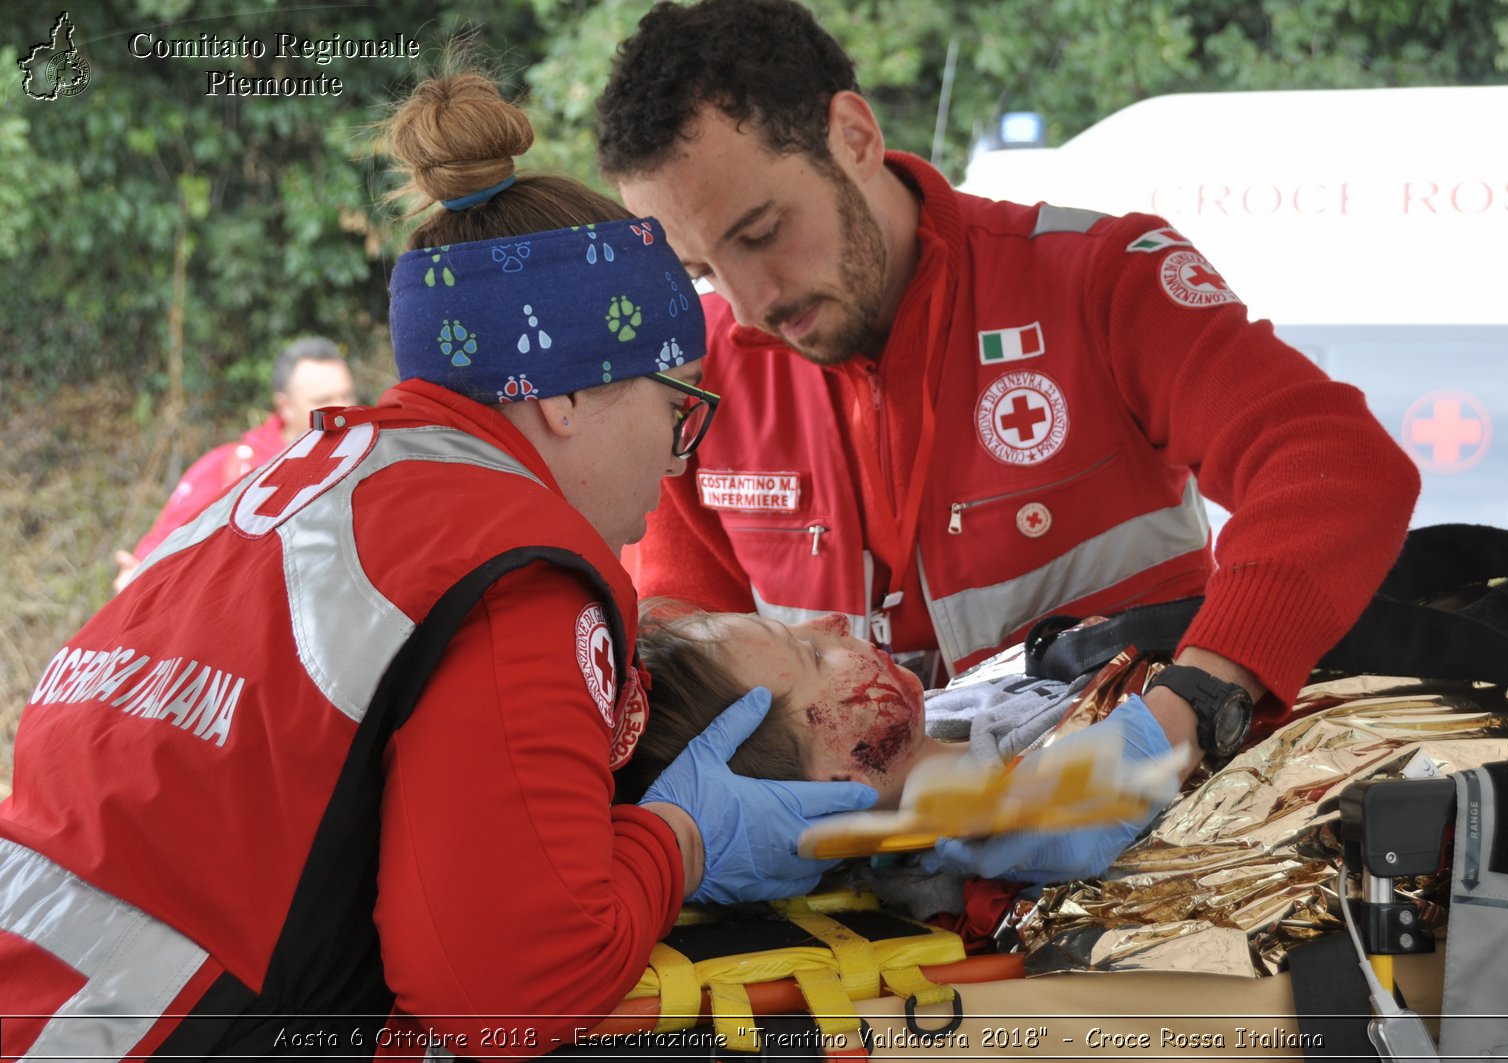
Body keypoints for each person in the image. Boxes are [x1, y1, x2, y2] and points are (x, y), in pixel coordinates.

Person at [0, 71, 875, 1060]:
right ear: (564, 395)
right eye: (673, 407)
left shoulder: (295, 490)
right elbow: (511, 989)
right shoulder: (512, 567)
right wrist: (681, 837)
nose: (680, 455)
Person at [594, 0, 1420, 880]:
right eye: (705, 270)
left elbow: (1341, 465)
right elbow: (679, 658)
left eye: (762, 233)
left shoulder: (1097, 280)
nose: (751, 302)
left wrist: (1186, 714)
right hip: (887, 933)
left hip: (1170, 869)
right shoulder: (708, 382)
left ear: (854, 136)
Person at [113, 337, 358, 592]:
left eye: (348, 395)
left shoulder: (380, 461)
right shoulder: (232, 467)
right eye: (324, 400)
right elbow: (161, 553)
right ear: (285, 406)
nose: (345, 410)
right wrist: (138, 575)